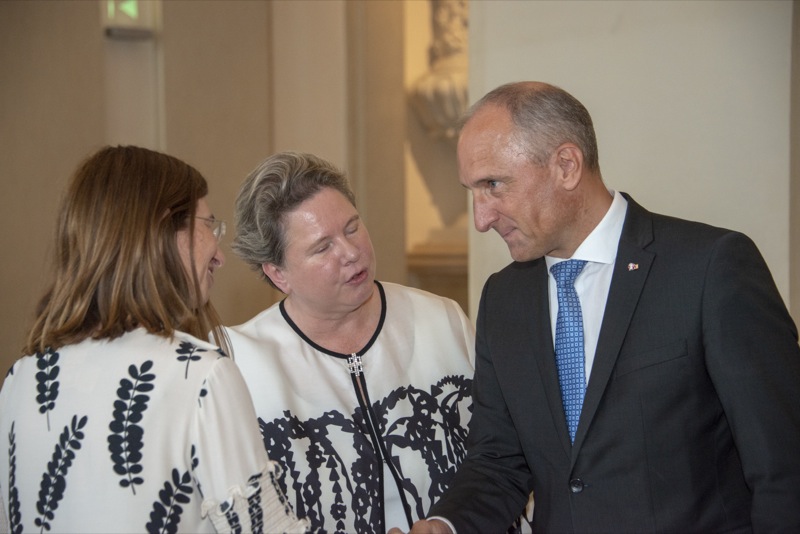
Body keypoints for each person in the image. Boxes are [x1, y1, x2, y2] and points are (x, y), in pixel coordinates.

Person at [395, 81, 800, 533]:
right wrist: (446, 525)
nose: (481, 218)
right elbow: (498, 460)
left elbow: (783, 466)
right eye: (473, 190)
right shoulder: (503, 299)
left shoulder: (709, 268)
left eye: (493, 184)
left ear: (566, 166)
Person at [0, 145, 309, 534]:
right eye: (208, 225)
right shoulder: (201, 376)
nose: (219, 255)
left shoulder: (21, 380)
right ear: (162, 229)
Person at [226, 151, 476, 533]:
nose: (351, 252)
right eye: (322, 247)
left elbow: (502, 460)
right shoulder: (243, 364)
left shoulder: (442, 320)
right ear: (278, 274)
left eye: (352, 227)